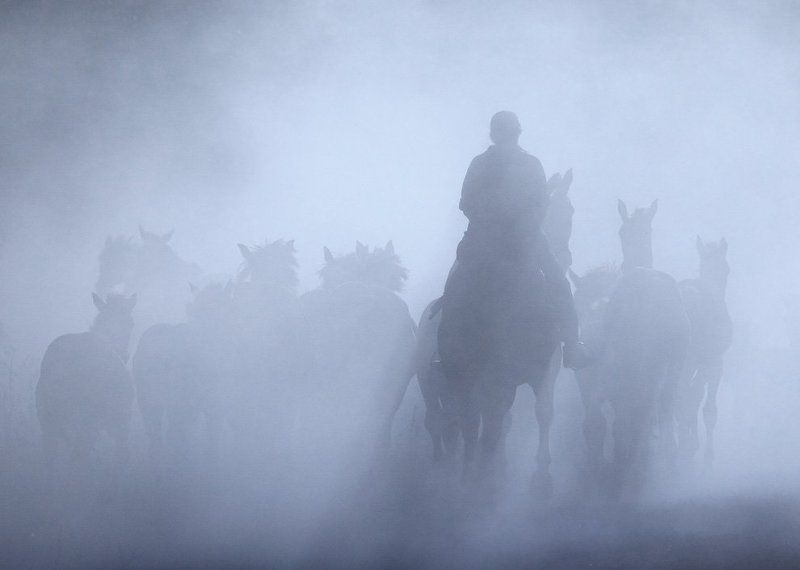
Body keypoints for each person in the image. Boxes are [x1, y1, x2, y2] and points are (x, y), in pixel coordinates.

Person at [449, 111, 587, 370]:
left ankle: (445, 350)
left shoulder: (486, 163)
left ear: (495, 133)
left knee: (456, 286)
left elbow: (466, 203)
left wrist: (496, 221)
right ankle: (572, 345)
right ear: (516, 133)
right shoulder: (526, 164)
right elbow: (540, 204)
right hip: (514, 238)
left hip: (493, 239)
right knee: (558, 282)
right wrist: (517, 222)